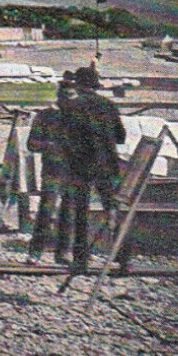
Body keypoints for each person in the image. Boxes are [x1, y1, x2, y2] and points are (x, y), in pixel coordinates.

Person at [58, 65, 126, 272]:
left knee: (81, 213)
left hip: (81, 166)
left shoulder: (72, 106)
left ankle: (81, 261)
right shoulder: (108, 105)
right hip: (107, 165)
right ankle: (124, 258)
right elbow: (121, 137)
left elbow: (63, 138)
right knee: (113, 209)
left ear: (78, 85)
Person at [26, 73, 76, 264]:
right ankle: (35, 252)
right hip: (52, 171)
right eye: (66, 97)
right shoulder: (44, 117)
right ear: (59, 97)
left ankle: (63, 253)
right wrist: (50, 145)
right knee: (46, 212)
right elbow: (31, 144)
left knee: (69, 212)